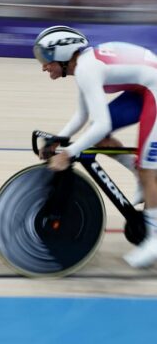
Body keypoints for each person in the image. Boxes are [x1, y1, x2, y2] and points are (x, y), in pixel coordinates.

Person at [33, 25, 157, 268]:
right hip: (143, 89)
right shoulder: (83, 66)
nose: (43, 65)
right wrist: (60, 137)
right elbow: (83, 115)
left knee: (148, 169)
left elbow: (101, 124)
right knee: (99, 138)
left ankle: (155, 241)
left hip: (154, 92)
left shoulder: (87, 69)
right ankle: (139, 174)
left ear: (63, 53)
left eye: (46, 57)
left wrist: (68, 153)